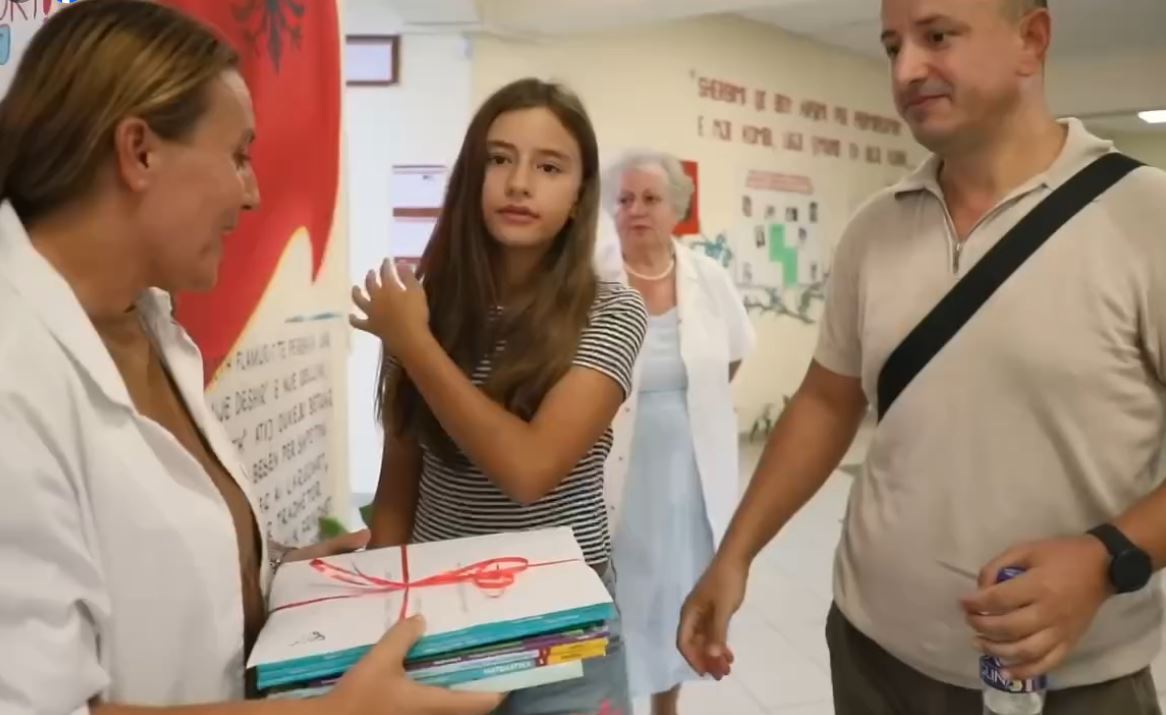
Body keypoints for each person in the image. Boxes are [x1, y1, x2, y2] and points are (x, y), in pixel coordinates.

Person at [0, 2, 502, 714]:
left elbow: (153, 581)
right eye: (238, 156)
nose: (253, 193)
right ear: (139, 152)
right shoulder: (15, 371)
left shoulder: (149, 324)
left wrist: (272, 584)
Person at [678, 1, 1166, 714]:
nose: (907, 69)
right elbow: (827, 401)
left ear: (1031, 39)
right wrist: (736, 552)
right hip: (871, 652)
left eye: (937, 36)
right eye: (891, 46)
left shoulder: (1147, 217)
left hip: (1070, 680)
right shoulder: (874, 229)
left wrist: (1106, 557)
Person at [351, 78, 648, 715]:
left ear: (579, 196)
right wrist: (377, 621)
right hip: (436, 620)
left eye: (549, 167)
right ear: (471, 178)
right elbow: (397, 492)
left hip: (563, 629)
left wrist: (414, 343)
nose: (519, 183)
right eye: (499, 159)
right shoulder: (424, 308)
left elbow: (529, 470)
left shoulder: (613, 312)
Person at [600, 150, 754, 715]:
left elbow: (734, 352)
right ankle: (612, 697)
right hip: (614, 464)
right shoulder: (593, 277)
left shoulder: (707, 276)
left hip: (686, 469)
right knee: (621, 587)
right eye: (624, 199)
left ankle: (667, 703)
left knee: (676, 586)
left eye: (650, 198)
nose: (636, 209)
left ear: (676, 209)